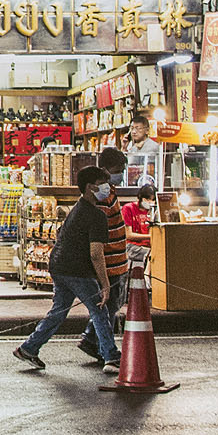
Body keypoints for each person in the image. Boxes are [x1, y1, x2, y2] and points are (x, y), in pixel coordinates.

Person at [13, 165, 121, 375]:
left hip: (59, 266)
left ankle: (29, 348)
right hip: (77, 270)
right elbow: (96, 253)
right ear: (90, 187)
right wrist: (105, 284)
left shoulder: (77, 208)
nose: (108, 188)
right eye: (103, 185)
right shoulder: (97, 216)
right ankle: (111, 356)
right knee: (99, 310)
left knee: (59, 311)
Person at [77, 147, 130, 362]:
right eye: (118, 170)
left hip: (117, 260)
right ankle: (104, 349)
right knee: (107, 306)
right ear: (106, 170)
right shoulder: (101, 197)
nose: (121, 174)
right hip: (110, 261)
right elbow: (98, 237)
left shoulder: (110, 192)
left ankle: (92, 339)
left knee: (109, 306)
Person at [122, 182, 156, 276]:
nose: (150, 202)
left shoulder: (153, 211)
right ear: (141, 197)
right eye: (147, 199)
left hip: (149, 246)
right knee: (155, 254)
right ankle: (146, 276)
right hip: (132, 246)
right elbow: (128, 235)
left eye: (152, 200)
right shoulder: (128, 208)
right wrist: (149, 236)